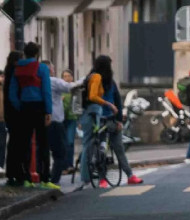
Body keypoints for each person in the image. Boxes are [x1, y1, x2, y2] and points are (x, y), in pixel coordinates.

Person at [79, 55, 142, 184]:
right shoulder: (96, 80)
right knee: (102, 151)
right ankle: (103, 178)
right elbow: (111, 101)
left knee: (118, 148)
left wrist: (119, 120)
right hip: (101, 119)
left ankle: (128, 175)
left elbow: (117, 100)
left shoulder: (109, 82)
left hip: (110, 119)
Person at [8, 42, 52, 187]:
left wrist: (19, 105)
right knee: (43, 143)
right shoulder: (42, 68)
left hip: (24, 107)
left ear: (25, 53)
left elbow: (12, 93)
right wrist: (48, 111)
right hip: (39, 107)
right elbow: (46, 90)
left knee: (24, 143)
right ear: (37, 54)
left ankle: (25, 177)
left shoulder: (18, 68)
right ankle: (44, 178)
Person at [40, 61, 81, 189]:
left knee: (42, 151)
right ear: (50, 70)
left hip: (40, 121)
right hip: (55, 121)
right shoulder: (54, 81)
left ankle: (42, 177)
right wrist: (86, 80)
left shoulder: (37, 81)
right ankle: (53, 178)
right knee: (59, 152)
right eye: (52, 68)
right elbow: (70, 87)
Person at [2, 52, 22, 185]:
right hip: (15, 112)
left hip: (9, 112)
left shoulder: (8, 72)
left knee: (13, 142)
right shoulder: (15, 73)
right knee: (18, 143)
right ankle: (17, 172)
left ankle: (11, 172)